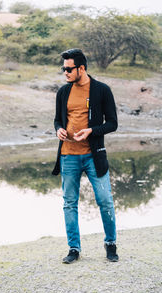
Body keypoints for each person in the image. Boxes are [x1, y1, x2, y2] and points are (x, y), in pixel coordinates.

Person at [52, 48, 119, 264]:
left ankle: (110, 244)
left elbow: (113, 123)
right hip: (68, 156)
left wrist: (92, 131)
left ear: (81, 68)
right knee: (69, 203)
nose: (65, 73)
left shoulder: (101, 90)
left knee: (105, 201)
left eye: (69, 69)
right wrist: (58, 129)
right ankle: (74, 248)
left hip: (93, 156)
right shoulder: (63, 92)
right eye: (63, 69)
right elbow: (57, 119)